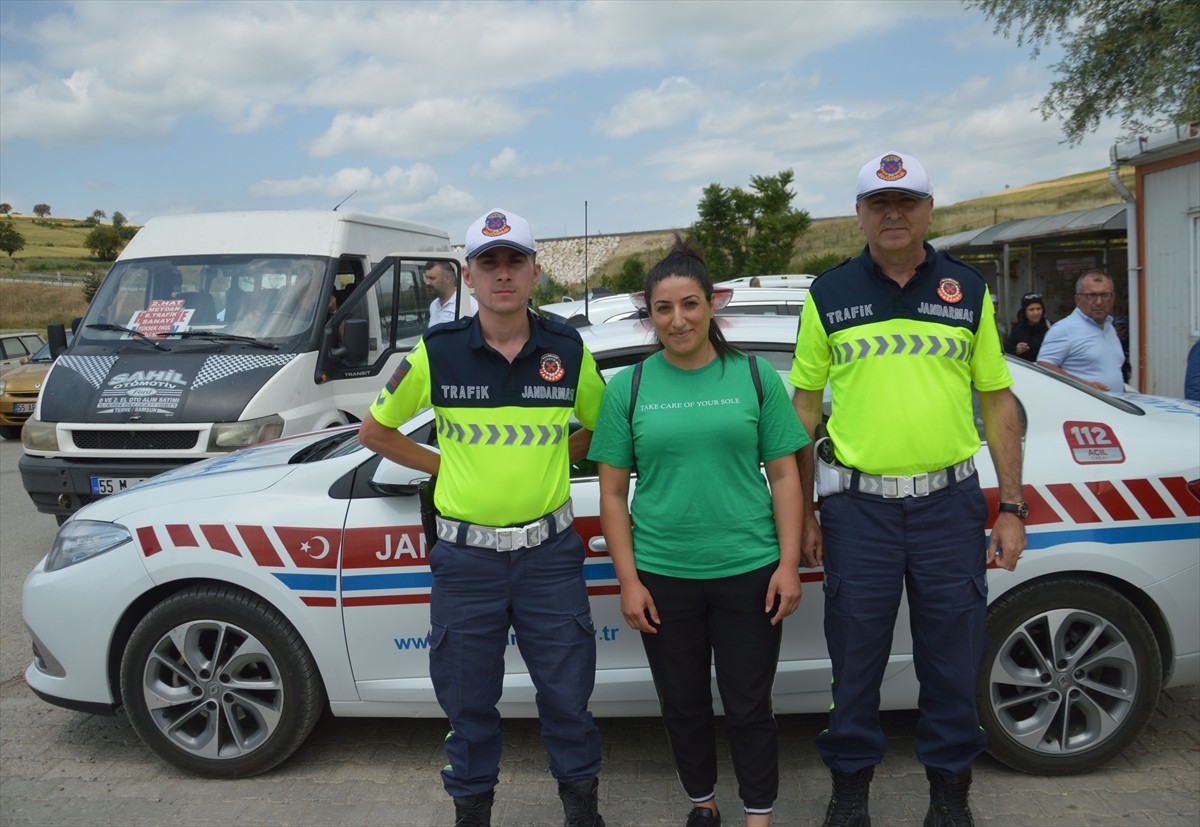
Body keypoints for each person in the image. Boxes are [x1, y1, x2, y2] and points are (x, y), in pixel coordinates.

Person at [789, 151, 1027, 827]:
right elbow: (804, 410)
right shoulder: (827, 293)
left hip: (947, 507)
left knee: (950, 660)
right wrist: (804, 509)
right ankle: (850, 794)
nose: (894, 215)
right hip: (857, 509)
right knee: (854, 660)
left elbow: (998, 402)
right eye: (879, 204)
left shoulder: (967, 289)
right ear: (860, 213)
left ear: (928, 209)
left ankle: (950, 798)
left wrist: (1010, 505)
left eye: (907, 202)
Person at [358, 208, 606, 827]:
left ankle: (583, 813)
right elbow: (375, 431)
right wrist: (446, 468)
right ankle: (472, 814)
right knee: (468, 704)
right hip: (467, 562)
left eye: (514, 261)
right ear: (468, 276)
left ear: (534, 272)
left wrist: (556, 455)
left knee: (568, 700)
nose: (503, 275)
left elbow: (605, 430)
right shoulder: (435, 352)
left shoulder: (566, 350)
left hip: (549, 557)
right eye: (489, 263)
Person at [589, 238, 810, 827]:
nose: (678, 319)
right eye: (664, 308)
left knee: (748, 706)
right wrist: (628, 581)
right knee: (683, 705)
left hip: (750, 570)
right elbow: (612, 494)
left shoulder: (755, 377)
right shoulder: (627, 388)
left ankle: (758, 815)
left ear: (712, 304)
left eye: (690, 304)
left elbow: (787, 474)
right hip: (664, 577)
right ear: (649, 314)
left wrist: (788, 565)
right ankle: (702, 805)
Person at [1036, 270, 1125, 391]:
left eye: (1105, 295)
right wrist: (1085, 386)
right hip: (1082, 407)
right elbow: (1043, 367)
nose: (1099, 302)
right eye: (1091, 296)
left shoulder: (1109, 327)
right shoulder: (1064, 329)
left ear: (1113, 298)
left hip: (1113, 407)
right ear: (1077, 299)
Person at [427, 259, 478, 328]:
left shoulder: (469, 304)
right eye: (427, 278)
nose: (427, 282)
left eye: (432, 278)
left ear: (448, 278)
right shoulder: (433, 305)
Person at [1004, 292, 1051, 362]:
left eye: (1038, 309)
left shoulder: (1051, 327)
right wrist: (1016, 351)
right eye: (1031, 309)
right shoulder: (1017, 331)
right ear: (1024, 312)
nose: (1036, 313)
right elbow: (1006, 353)